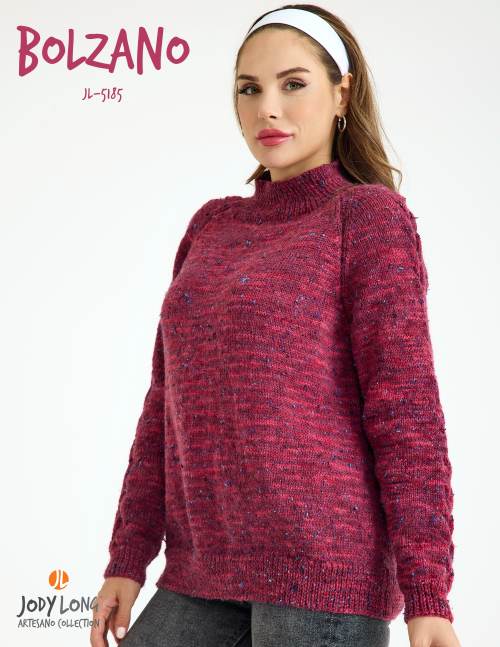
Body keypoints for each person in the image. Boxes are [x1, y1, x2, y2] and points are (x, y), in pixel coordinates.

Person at [90, 5, 461, 647]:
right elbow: (163, 406)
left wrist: (429, 595)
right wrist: (127, 557)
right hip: (200, 569)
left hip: (324, 578)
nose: (268, 108)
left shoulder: (367, 219)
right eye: (249, 88)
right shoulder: (212, 226)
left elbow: (405, 411)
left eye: (293, 84)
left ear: (341, 93)